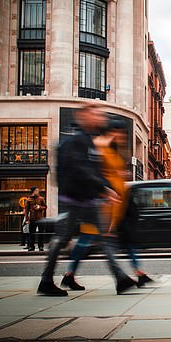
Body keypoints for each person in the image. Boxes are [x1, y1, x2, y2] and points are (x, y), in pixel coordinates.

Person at [37, 103, 136, 296]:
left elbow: (94, 170)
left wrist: (105, 187)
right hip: (77, 199)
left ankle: (120, 279)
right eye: (95, 114)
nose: (100, 117)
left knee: (93, 239)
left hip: (85, 198)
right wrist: (105, 189)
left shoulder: (88, 140)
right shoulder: (79, 141)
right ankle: (48, 280)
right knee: (71, 239)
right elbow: (82, 170)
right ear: (84, 116)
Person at [62, 117, 152, 290]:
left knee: (94, 240)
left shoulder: (116, 150)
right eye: (120, 133)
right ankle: (122, 278)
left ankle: (71, 275)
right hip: (102, 204)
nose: (123, 137)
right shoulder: (100, 147)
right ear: (112, 132)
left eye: (124, 134)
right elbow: (94, 174)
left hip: (118, 203)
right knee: (89, 240)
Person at [25, 186, 47, 251]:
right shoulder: (28, 199)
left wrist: (39, 207)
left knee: (41, 233)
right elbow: (26, 210)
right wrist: (27, 219)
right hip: (32, 218)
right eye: (37, 190)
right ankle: (31, 246)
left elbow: (45, 207)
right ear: (33, 191)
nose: (38, 191)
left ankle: (40, 246)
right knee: (32, 233)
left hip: (40, 219)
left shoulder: (41, 198)